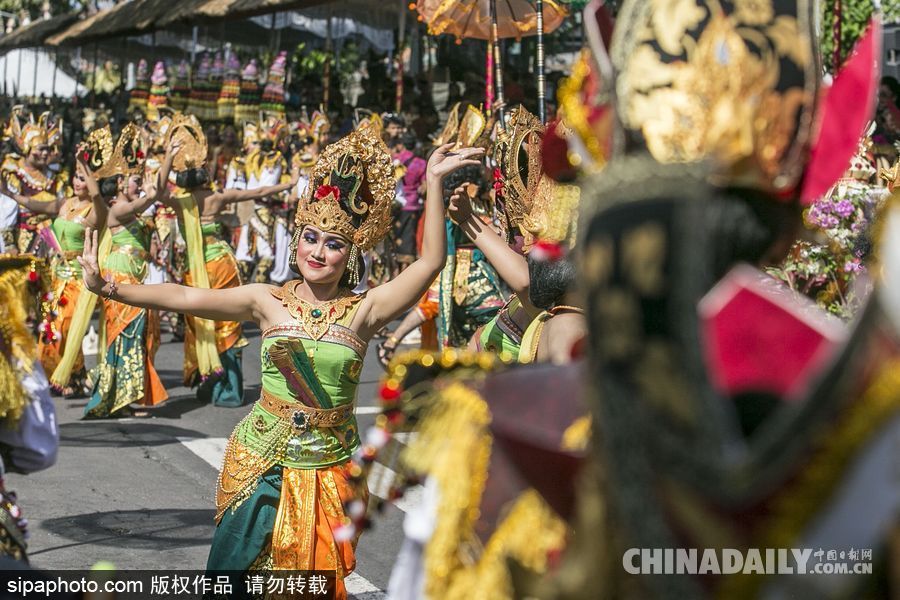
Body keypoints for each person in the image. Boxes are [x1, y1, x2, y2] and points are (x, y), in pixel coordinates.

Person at [77, 125, 483, 597]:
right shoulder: (266, 300)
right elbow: (188, 295)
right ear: (297, 241)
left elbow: (430, 261)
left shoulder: (365, 309)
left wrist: (433, 182)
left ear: (350, 254)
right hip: (260, 459)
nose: (318, 252)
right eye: (311, 237)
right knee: (234, 577)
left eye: (333, 244)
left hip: (327, 467)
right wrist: (110, 287)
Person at [166, 113, 300, 407]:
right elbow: (261, 191)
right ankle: (228, 384)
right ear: (206, 176)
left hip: (197, 270)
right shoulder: (217, 198)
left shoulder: (180, 204)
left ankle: (213, 378)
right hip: (222, 266)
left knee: (203, 325)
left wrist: (168, 157)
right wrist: (290, 183)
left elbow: (158, 192)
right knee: (227, 323)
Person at [0, 126, 111, 397]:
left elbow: (97, 195)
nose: (76, 182)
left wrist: (85, 165)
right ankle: (63, 376)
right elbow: (33, 204)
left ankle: (71, 374)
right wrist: (10, 194)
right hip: (57, 276)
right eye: (75, 177)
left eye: (83, 179)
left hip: (79, 279)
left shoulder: (96, 210)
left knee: (68, 326)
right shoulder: (65, 203)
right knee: (50, 327)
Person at [82, 123, 177, 419]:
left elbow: (157, 192)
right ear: (122, 184)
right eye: (136, 179)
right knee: (125, 337)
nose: (140, 182)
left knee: (133, 338)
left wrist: (169, 157)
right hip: (119, 278)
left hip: (133, 276)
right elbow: (150, 198)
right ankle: (121, 398)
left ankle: (122, 394)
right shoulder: (117, 209)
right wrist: (149, 193)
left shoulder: (130, 205)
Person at [0, 109, 63, 254]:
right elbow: (4, 212)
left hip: (52, 243)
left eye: (47, 149)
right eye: (40, 149)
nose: (46, 153)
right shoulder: (13, 175)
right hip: (22, 243)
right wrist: (10, 245)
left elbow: (61, 208)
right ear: (27, 148)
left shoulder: (55, 178)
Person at [389, 132, 427, 269]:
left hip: (395, 205)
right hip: (413, 205)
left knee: (395, 238)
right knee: (408, 238)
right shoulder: (421, 163)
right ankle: (406, 271)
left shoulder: (395, 160)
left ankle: (394, 270)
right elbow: (424, 185)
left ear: (402, 145)